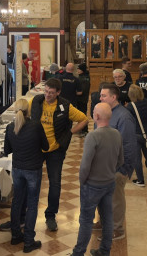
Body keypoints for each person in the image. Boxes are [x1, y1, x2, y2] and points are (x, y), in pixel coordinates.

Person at [31, 77, 89, 231]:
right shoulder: (36, 101)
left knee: (55, 183)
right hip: (37, 149)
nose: (47, 95)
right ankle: (26, 215)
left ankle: (51, 215)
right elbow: (24, 113)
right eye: (46, 91)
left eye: (51, 93)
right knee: (32, 182)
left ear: (58, 92)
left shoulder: (65, 106)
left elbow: (84, 119)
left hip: (56, 150)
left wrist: (69, 133)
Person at [71, 103, 123, 256]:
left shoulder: (93, 136)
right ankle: (104, 251)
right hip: (109, 183)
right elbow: (120, 160)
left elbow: (85, 165)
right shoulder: (116, 134)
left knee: (86, 220)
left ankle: (78, 253)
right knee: (107, 218)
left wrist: (83, 181)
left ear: (97, 116)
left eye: (93, 111)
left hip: (92, 185)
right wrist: (109, 171)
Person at [3, 99, 49, 253]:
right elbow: (46, 146)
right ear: (28, 110)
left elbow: (7, 150)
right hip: (33, 169)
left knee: (17, 201)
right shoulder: (36, 126)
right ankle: (29, 241)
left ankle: (16, 235)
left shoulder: (10, 127)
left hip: (17, 168)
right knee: (32, 204)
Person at [97, 83, 136, 240]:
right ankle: (103, 222)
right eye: (100, 95)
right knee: (103, 198)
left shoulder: (124, 117)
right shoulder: (104, 113)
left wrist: (122, 170)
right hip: (103, 166)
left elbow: (128, 145)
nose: (100, 98)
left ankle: (117, 229)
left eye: (103, 95)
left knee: (115, 200)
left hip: (116, 168)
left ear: (113, 97)